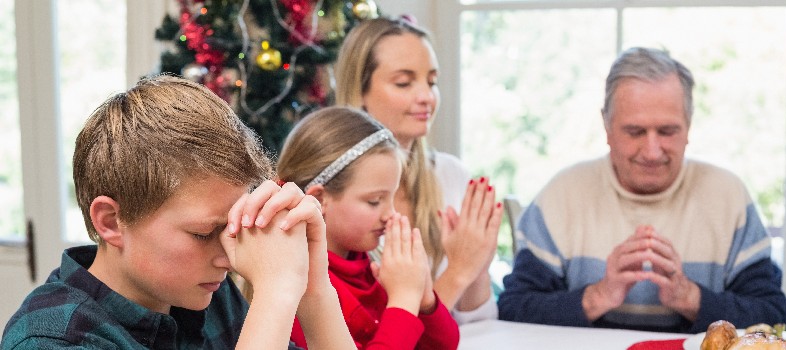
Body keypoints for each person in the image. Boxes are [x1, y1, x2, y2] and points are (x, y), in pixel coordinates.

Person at [1, 75, 355, 349]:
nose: (229, 259)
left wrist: (313, 289)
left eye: (232, 228)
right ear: (111, 222)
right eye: (203, 233)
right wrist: (275, 293)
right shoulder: (52, 339)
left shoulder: (208, 295)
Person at [498, 47, 786, 333]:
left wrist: (691, 299)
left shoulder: (729, 197)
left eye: (667, 131)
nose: (652, 151)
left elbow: (774, 316)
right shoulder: (561, 195)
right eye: (635, 132)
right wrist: (598, 296)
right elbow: (513, 308)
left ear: (688, 127)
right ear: (606, 126)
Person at [334, 16, 503, 325]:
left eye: (432, 81)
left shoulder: (450, 174)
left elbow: (480, 323)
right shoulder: (337, 192)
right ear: (359, 91)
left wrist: (478, 266)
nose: (426, 96)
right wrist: (458, 271)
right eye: (404, 82)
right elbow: (385, 336)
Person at [273, 106, 459, 349]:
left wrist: (424, 299)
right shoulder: (302, 286)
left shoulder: (367, 264)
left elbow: (444, 345)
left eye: (391, 197)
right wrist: (403, 299)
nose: (390, 214)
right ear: (319, 200)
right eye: (374, 201)